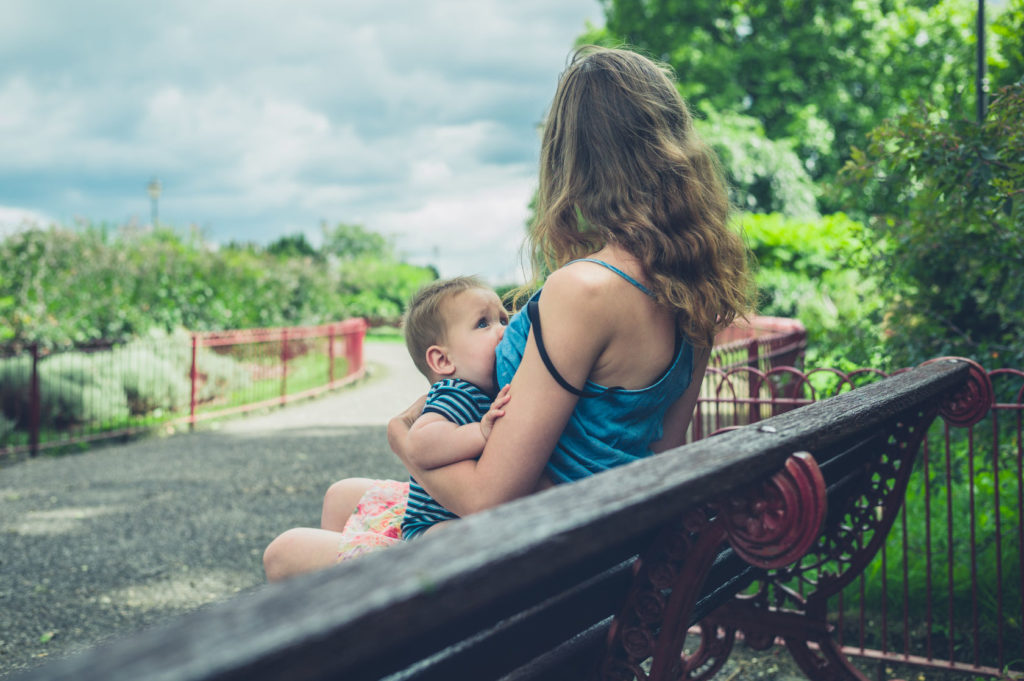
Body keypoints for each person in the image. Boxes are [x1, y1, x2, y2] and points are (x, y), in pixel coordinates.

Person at [262, 45, 754, 582]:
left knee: (286, 552)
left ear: (573, 159)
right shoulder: (696, 290)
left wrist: (404, 442)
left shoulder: (584, 288)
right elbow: (661, 453)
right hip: (606, 546)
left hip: (534, 558)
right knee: (345, 497)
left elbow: (489, 501)